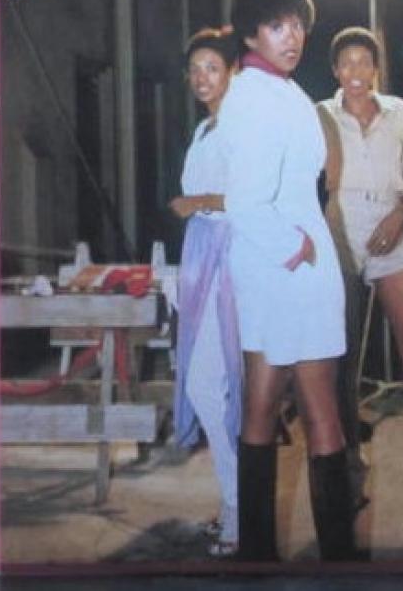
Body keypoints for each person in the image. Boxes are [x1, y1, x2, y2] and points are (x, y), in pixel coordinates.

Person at [218, 0, 354, 562]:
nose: (291, 36)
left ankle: (256, 556)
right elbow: (245, 201)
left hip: (271, 266)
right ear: (250, 33)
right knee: (322, 410)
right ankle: (339, 561)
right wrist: (296, 246)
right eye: (276, 25)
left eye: (297, 24)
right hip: (290, 264)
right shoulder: (255, 97)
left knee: (262, 403)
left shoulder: (274, 89)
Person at [317, 26, 403, 520]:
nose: (355, 71)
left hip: (391, 229)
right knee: (342, 363)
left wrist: (401, 215)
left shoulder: (399, 112)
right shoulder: (319, 114)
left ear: (375, 69)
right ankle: (349, 471)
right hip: (341, 231)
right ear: (335, 70)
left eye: (363, 61)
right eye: (346, 62)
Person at [170, 27, 242, 557]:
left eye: (212, 67)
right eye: (195, 70)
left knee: (210, 384)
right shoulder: (203, 129)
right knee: (208, 384)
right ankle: (235, 503)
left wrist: (197, 203)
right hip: (201, 255)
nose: (202, 78)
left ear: (233, 71)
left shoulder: (241, 127)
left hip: (230, 256)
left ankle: (240, 510)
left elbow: (253, 196)